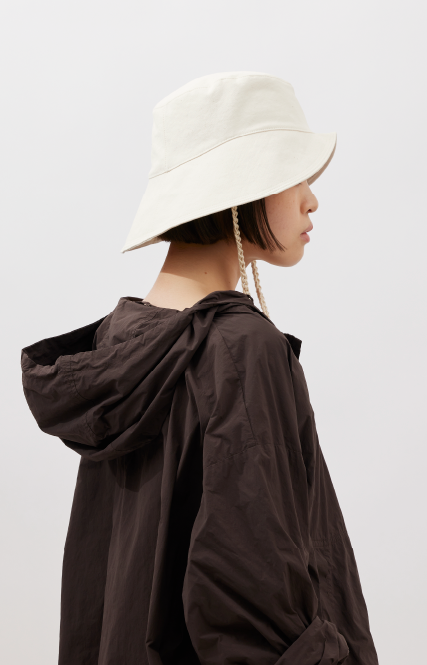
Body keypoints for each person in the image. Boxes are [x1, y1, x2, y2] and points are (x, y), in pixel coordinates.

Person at [21, 72, 379, 665]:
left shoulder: (120, 345)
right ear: (242, 187)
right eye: (295, 174)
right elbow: (253, 596)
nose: (312, 199)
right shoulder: (240, 348)